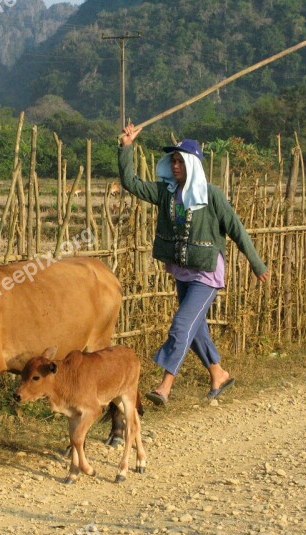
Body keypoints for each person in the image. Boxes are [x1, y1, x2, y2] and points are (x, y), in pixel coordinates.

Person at [118, 123, 269, 403]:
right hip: (182, 271)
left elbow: (236, 229)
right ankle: (218, 373)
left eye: (180, 161)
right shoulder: (167, 193)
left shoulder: (211, 195)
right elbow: (132, 184)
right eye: (172, 160)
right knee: (195, 328)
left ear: (192, 164)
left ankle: (165, 386)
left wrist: (256, 263)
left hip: (207, 272)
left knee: (180, 326)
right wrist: (127, 147)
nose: (175, 165)